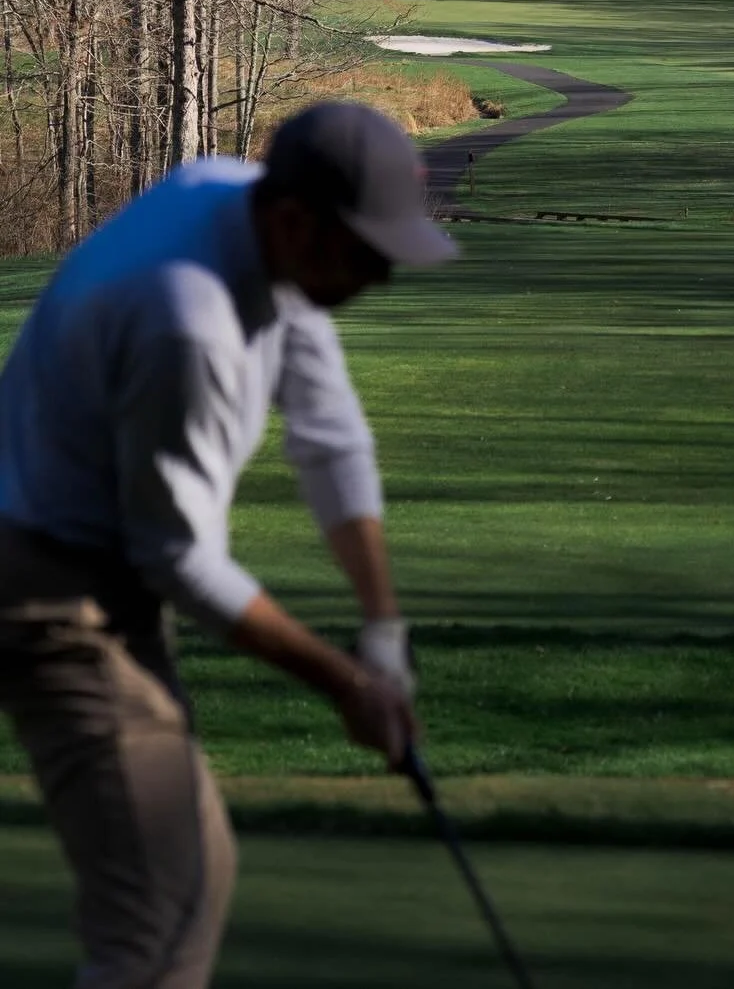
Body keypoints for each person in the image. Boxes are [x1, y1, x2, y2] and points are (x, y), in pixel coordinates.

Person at [0, 101, 457, 988]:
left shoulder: (237, 197)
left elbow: (330, 434)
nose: (382, 277)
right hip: (44, 591)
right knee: (162, 909)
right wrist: (345, 683)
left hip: (92, 567)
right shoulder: (189, 323)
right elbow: (180, 559)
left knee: (190, 874)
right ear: (297, 223)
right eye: (369, 253)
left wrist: (383, 630)